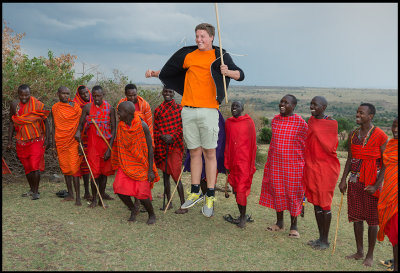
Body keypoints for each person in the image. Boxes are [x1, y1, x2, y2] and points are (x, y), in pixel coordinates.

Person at [145, 22, 245, 217]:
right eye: (197, 36)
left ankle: (209, 195)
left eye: (203, 37)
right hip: (188, 110)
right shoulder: (188, 55)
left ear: (211, 38)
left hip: (209, 111)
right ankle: (195, 192)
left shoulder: (220, 55)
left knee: (209, 153)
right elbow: (169, 71)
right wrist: (155, 73)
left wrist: (228, 72)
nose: (199, 40)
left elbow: (240, 74)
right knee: (194, 152)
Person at [338, 103, 388, 267]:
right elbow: (350, 160)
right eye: (357, 112)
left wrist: (375, 186)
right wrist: (343, 179)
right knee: (357, 217)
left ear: (370, 116)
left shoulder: (380, 135)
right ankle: (359, 251)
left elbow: (386, 164)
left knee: (373, 221)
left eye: (361, 113)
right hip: (354, 182)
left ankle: (370, 255)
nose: (357, 114)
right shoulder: (353, 134)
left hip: (372, 183)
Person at [259, 94, 308, 238]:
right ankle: (279, 223)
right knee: (278, 192)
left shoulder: (301, 123)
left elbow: (307, 144)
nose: (282, 104)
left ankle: (294, 226)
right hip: (275, 165)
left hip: (293, 166)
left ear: (293, 106)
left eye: (286, 103)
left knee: (293, 194)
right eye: (281, 102)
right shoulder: (275, 120)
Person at [111, 101, 160, 224]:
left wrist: (150, 170)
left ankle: (152, 214)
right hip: (126, 163)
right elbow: (121, 145)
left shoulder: (142, 125)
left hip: (141, 164)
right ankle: (133, 209)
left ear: (127, 113)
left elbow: (150, 148)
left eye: (120, 111)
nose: (118, 113)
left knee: (142, 194)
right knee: (118, 188)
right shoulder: (121, 125)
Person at [302, 96, 341, 250]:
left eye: (315, 105)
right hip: (312, 166)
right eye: (311, 104)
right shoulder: (311, 121)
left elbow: (330, 146)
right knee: (317, 204)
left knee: (325, 204)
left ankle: (325, 241)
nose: (312, 107)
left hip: (326, 168)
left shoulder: (331, 123)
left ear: (323, 107)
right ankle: (320, 238)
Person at [74, 85, 116, 208]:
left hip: (105, 146)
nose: (97, 98)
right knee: (94, 173)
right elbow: (81, 125)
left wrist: (109, 149)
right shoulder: (87, 107)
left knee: (103, 174)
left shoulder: (110, 109)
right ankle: (94, 199)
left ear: (103, 95)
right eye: (95, 96)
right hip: (93, 147)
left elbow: (114, 130)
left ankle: (101, 197)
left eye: (99, 96)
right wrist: (77, 134)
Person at [7, 84, 50, 200]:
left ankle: (36, 192)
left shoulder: (37, 104)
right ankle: (31, 189)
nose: (24, 97)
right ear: (18, 94)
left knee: (34, 166)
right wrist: (9, 140)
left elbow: (46, 121)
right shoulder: (14, 105)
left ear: (30, 94)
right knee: (27, 167)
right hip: (21, 141)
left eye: (27, 94)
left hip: (36, 140)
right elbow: (11, 122)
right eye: (21, 95)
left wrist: (48, 138)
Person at [153, 87, 187, 214]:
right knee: (165, 176)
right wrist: (162, 136)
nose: (167, 94)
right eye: (165, 91)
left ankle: (184, 205)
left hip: (175, 146)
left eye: (170, 92)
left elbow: (183, 128)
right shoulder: (158, 110)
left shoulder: (180, 109)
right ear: (162, 93)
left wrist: (172, 137)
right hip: (162, 146)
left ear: (173, 93)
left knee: (176, 176)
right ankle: (169, 202)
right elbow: (155, 129)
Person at [223, 101, 257, 228]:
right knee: (236, 189)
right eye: (232, 106)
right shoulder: (229, 123)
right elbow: (227, 143)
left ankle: (243, 218)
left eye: (237, 106)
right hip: (233, 161)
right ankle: (241, 214)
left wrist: (251, 163)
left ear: (242, 108)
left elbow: (253, 144)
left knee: (241, 189)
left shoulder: (249, 122)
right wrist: (227, 162)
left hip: (245, 162)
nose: (234, 108)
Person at [183, 109, 226, 195]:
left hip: (211, 155)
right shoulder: (194, 112)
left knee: (209, 179)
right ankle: (205, 203)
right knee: (201, 179)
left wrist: (215, 155)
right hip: (199, 155)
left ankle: (210, 205)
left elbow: (220, 138)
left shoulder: (216, 114)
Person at [51, 86, 82, 206]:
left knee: (74, 169)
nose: (65, 95)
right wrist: (53, 146)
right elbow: (54, 126)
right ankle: (70, 194)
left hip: (73, 141)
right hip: (60, 141)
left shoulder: (76, 107)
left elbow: (80, 125)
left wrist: (80, 142)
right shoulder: (55, 108)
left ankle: (78, 197)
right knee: (65, 168)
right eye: (63, 93)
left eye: (67, 93)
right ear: (58, 94)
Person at [377, 117, 398, 271]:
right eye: (394, 126)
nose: (395, 130)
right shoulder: (391, 144)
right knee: (393, 229)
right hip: (390, 193)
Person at [73, 85, 93, 201]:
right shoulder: (76, 106)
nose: (86, 95)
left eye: (87, 93)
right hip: (82, 138)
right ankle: (86, 192)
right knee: (85, 166)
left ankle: (99, 192)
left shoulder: (94, 102)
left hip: (94, 138)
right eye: (83, 94)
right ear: (78, 95)